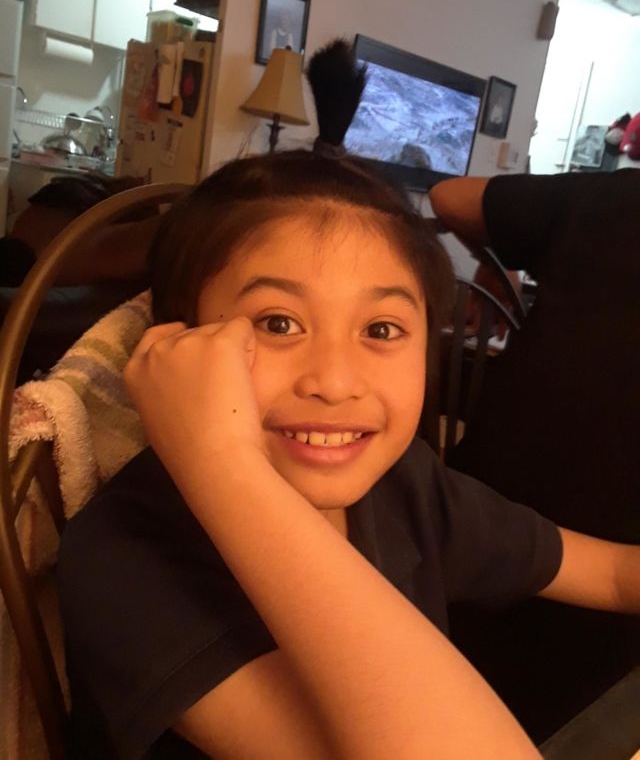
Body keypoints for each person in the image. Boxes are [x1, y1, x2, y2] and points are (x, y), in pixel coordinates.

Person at [56, 152, 640, 759]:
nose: (335, 383)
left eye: (381, 330)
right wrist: (221, 461)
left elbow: (613, 576)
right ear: (180, 349)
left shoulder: (406, 486)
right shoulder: (123, 553)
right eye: (278, 323)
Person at [429, 168, 640, 740]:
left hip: (485, 524)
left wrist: (503, 263)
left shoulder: (614, 196)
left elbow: (449, 197)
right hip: (569, 641)